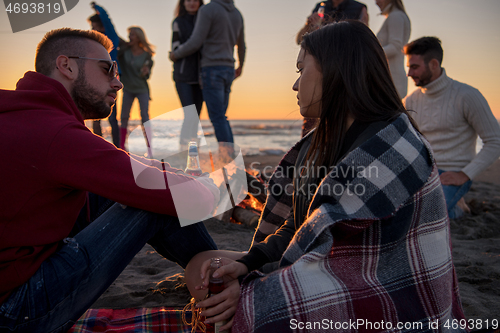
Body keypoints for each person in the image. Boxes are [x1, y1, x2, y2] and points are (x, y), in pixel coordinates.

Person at [182, 21, 467, 332]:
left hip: (375, 278)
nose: (295, 85)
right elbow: (300, 226)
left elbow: (331, 248)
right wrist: (249, 263)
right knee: (202, 267)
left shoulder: (393, 145)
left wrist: (252, 284)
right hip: (316, 261)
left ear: (335, 71)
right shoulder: (322, 141)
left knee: (254, 308)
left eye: (300, 70)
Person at [0, 28, 221, 333]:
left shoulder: (25, 115)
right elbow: (192, 199)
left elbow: (120, 162)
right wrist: (208, 187)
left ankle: (221, 275)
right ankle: (225, 287)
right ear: (67, 66)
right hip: (14, 311)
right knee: (152, 201)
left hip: (12, 280)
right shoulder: (57, 135)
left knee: (131, 188)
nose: (118, 81)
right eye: (107, 69)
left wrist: (170, 174)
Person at [404, 37, 500, 218]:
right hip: (421, 173)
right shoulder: (410, 100)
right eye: (408, 67)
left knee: (428, 215)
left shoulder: (467, 95)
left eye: (414, 67)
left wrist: (464, 174)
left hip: (452, 174)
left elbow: (495, 141)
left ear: (433, 64)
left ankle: (457, 208)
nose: (408, 73)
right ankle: (454, 205)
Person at [169, 0, 245, 151]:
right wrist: (241, 65)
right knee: (221, 117)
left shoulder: (208, 10)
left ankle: (227, 158)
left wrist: (175, 55)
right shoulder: (237, 13)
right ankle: (228, 156)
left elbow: (196, 42)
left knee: (217, 118)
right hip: (229, 68)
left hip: (211, 69)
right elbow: (241, 44)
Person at [296, 0, 369, 137]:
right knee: (310, 129)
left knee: (344, 125)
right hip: (318, 72)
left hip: (345, 75)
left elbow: (365, 41)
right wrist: (308, 25)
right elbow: (300, 40)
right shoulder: (321, 6)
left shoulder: (358, 8)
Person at [88, 1, 124, 147]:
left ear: (101, 25)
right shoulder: (91, 42)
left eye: (94, 26)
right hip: (95, 79)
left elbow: (107, 20)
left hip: (110, 79)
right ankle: (98, 145)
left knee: (112, 116)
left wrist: (97, 8)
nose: (92, 29)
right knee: (94, 114)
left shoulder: (110, 38)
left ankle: (117, 147)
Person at [172, 0, 205, 151]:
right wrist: (193, 45)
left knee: (196, 117)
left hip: (201, 76)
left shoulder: (205, 19)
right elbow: (175, 48)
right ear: (183, 3)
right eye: (188, 0)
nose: (192, 3)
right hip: (183, 75)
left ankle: (192, 152)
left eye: (195, 0)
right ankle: (183, 149)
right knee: (190, 115)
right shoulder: (178, 21)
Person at [118, 26, 155, 154]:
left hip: (142, 88)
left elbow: (147, 74)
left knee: (145, 116)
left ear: (139, 37)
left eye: (132, 35)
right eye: (129, 34)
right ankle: (122, 146)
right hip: (127, 88)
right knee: (124, 117)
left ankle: (150, 149)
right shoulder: (123, 52)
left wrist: (146, 71)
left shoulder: (147, 55)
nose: (129, 37)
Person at [375, 0, 411, 99]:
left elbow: (395, 47)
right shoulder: (395, 16)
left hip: (393, 79)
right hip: (390, 77)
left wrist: (371, 54)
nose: (376, 2)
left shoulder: (396, 16)